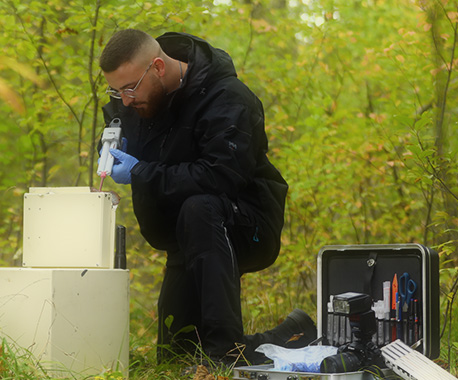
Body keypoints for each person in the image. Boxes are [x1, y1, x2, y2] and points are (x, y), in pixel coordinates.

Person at [98, 29, 315, 366]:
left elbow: (220, 177)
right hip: (185, 237)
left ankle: (226, 357)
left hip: (244, 223)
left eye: (129, 89)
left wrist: (141, 172)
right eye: (116, 90)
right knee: (175, 356)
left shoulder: (228, 98)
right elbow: (122, 118)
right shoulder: (136, 99)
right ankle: (291, 333)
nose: (124, 99)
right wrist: (113, 146)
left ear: (157, 67)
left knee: (200, 206)